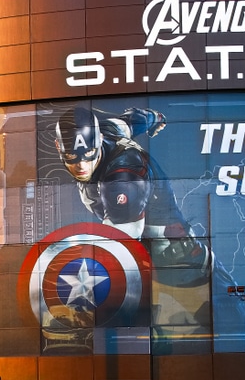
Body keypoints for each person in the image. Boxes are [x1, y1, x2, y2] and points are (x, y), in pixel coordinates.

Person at [54, 104, 232, 286]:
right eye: (71, 156)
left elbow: (120, 243)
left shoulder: (124, 174)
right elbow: (135, 119)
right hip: (153, 270)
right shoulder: (110, 129)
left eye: (89, 154)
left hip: (185, 269)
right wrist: (155, 118)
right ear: (58, 147)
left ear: (99, 139)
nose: (82, 165)